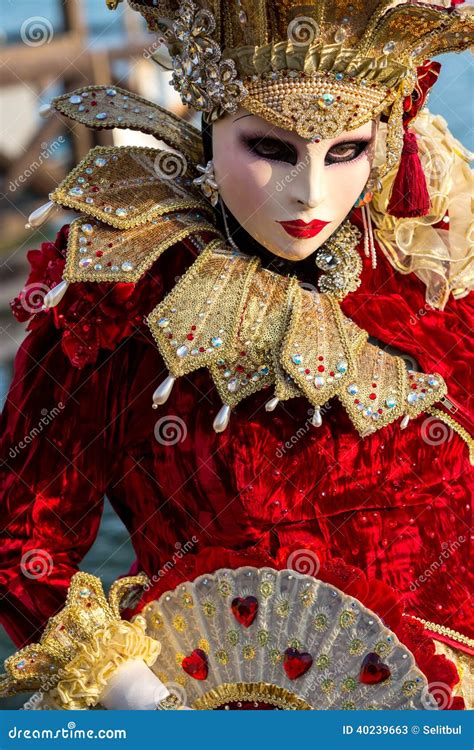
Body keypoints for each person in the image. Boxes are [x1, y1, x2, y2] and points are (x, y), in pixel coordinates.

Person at [0, 0, 472, 709]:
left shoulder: (426, 285)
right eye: (271, 148)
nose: (310, 193)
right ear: (211, 124)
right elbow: (24, 542)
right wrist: (141, 701)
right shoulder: (120, 299)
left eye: (346, 152)